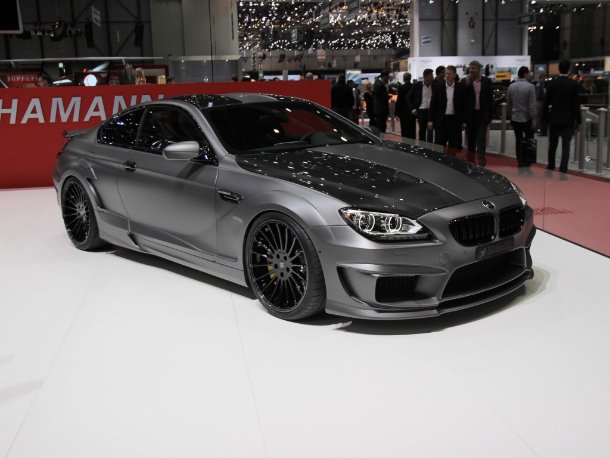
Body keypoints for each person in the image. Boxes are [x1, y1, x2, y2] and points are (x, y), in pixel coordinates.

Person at [543, 59, 581, 180]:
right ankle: (563, 171)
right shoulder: (573, 84)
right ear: (568, 69)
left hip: (554, 118)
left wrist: (545, 118)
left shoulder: (552, 84)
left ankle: (550, 168)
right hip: (568, 119)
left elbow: (546, 103)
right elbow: (576, 105)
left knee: (552, 145)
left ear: (559, 69)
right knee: (566, 146)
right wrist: (579, 121)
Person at [428, 65, 468, 155]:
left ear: (455, 75)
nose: (447, 76)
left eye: (450, 74)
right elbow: (433, 105)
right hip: (441, 120)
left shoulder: (460, 88)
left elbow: (464, 106)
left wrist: (464, 121)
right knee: (439, 145)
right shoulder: (438, 87)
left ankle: (450, 161)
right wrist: (430, 120)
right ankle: (439, 161)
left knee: (453, 145)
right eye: (446, 73)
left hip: (454, 120)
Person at [506, 66, 537, 174]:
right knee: (529, 140)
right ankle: (527, 164)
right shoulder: (530, 87)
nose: (530, 75)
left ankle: (519, 162)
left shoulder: (511, 86)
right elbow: (532, 105)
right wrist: (534, 119)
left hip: (515, 117)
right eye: (529, 73)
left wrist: (510, 116)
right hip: (527, 118)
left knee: (518, 140)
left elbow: (509, 104)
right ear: (525, 74)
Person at [462, 60, 493, 166]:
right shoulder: (465, 82)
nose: (471, 70)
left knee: (481, 140)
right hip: (470, 116)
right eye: (470, 68)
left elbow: (490, 100)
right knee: (470, 141)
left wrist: (489, 117)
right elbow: (463, 100)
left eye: (473, 68)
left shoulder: (486, 82)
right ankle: (470, 163)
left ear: (479, 69)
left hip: (482, 115)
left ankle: (481, 163)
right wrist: (467, 84)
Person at [407, 68, 434, 143]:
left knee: (430, 131)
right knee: (422, 131)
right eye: (431, 76)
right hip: (421, 112)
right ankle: (422, 147)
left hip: (431, 111)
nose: (433, 77)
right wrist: (413, 109)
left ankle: (429, 147)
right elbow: (408, 97)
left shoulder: (434, 86)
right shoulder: (417, 85)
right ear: (426, 77)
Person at [395, 72, 416, 139]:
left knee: (404, 129)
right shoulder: (413, 87)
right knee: (412, 129)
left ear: (404, 78)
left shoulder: (402, 88)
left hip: (403, 112)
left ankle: (405, 143)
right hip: (412, 111)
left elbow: (399, 101)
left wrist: (397, 112)